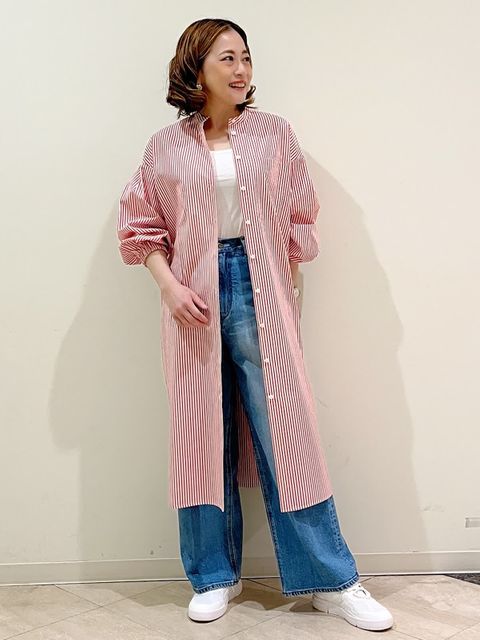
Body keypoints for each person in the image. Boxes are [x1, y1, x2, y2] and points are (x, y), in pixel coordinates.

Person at [117, 17, 394, 632]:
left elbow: (300, 213)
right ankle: (213, 575)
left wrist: (281, 282)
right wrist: (169, 287)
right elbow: (141, 226)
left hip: (259, 288)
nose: (241, 69)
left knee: (286, 430)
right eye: (227, 58)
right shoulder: (164, 147)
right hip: (191, 292)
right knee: (199, 432)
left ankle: (330, 580)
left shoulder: (274, 134)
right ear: (197, 66)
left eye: (246, 57)